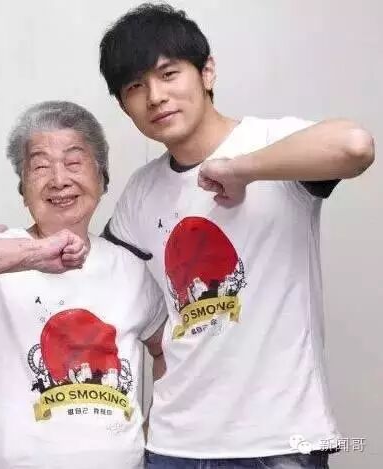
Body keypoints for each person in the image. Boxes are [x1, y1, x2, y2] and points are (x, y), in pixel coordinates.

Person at [99, 3, 375, 468]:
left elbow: (355, 146)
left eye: (168, 74)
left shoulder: (272, 143)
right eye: (135, 87)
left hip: (278, 442)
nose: (155, 97)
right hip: (174, 445)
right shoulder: (141, 191)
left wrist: (243, 169)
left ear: (207, 71)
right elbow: (106, 281)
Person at [0, 101, 167, 469]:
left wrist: (156, 436)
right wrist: (34, 253)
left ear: (102, 179)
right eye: (40, 166)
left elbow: (169, 351)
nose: (59, 180)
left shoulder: (131, 269)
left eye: (74, 163)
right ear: (23, 189)